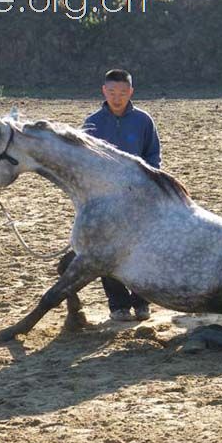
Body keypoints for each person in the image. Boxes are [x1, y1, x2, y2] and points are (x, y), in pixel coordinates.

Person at [84, 69, 161, 322]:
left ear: (131, 92)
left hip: (138, 196)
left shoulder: (143, 121)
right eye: (112, 92)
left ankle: (141, 301)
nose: (118, 97)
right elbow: (84, 162)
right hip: (104, 198)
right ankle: (118, 305)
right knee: (108, 250)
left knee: (142, 248)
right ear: (104, 91)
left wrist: (146, 182)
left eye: (123, 92)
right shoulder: (92, 123)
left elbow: (153, 156)